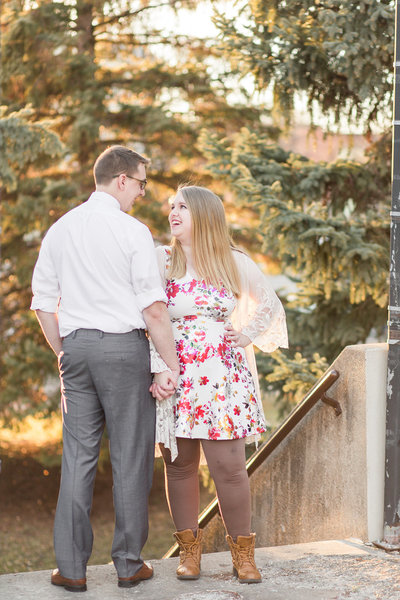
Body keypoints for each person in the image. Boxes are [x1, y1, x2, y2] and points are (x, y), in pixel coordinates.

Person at [30, 145, 179, 592]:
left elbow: (42, 303)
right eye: (140, 184)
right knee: (132, 458)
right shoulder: (132, 231)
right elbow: (153, 310)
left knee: (77, 457)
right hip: (122, 351)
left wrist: (65, 350)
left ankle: (72, 568)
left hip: (75, 350)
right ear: (121, 180)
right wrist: (170, 364)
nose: (141, 193)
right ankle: (129, 564)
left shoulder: (60, 229)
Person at [150, 185, 288, 584]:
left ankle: (243, 555)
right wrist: (159, 366)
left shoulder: (233, 261)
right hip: (176, 375)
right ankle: (189, 554)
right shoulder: (162, 259)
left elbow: (270, 304)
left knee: (229, 468)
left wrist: (244, 336)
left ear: (205, 215)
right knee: (179, 465)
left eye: (182, 208)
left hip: (222, 377)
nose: (173, 213)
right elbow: (147, 316)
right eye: (171, 206)